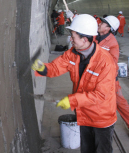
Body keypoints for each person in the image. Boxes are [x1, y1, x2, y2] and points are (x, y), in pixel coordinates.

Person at [32, 13, 117, 153]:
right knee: (87, 149)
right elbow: (56, 67)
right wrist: (43, 68)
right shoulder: (73, 53)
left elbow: (100, 95)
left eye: (73, 36)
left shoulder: (105, 62)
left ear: (84, 39)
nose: (70, 39)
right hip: (84, 113)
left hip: (102, 118)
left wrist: (72, 100)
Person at [96, 15, 129, 141]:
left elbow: (113, 63)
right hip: (95, 78)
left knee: (120, 103)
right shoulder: (95, 36)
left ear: (108, 28)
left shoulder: (112, 43)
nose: (99, 24)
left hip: (109, 80)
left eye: (102, 23)